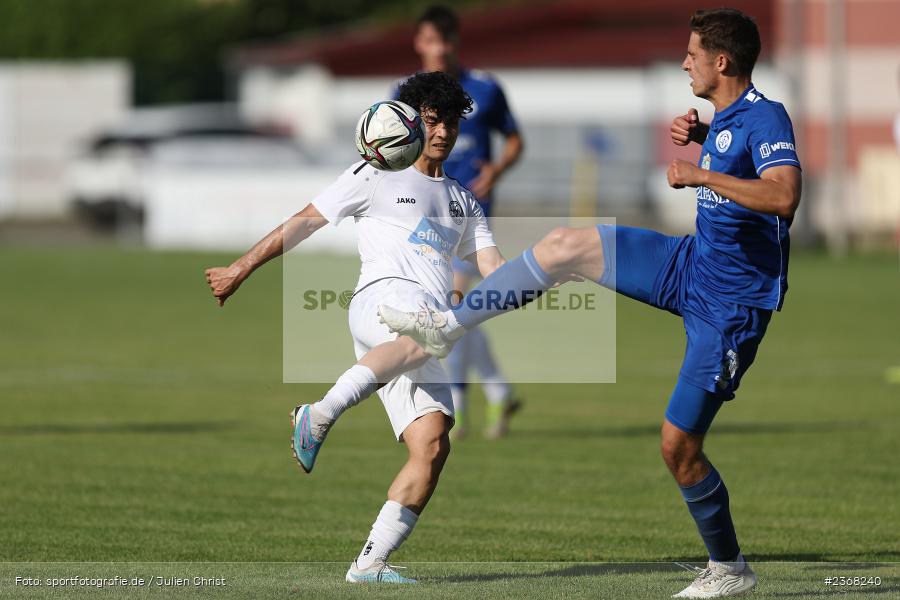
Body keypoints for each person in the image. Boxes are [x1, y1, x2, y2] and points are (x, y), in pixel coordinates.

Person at [379, 9, 801, 598]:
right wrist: (707, 142)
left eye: (692, 52)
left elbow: (783, 195)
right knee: (565, 246)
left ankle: (729, 569)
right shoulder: (727, 119)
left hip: (732, 303)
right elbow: (740, 162)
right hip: (689, 265)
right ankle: (447, 327)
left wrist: (701, 176)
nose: (685, 61)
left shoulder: (767, 115)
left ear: (720, 62)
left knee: (678, 447)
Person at [205, 72, 506, 583]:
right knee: (423, 337)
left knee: (433, 446)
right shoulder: (376, 173)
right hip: (381, 302)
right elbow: (302, 221)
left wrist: (539, 275)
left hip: (421, 325)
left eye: (451, 122)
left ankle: (370, 564)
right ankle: (318, 415)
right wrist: (240, 267)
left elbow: (494, 266)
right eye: (432, 121)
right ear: (412, 121)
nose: (442, 132)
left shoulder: (464, 202)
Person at [397, 5, 525, 439]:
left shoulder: (484, 89)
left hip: (470, 209)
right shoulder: (406, 91)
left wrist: (496, 171)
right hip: (422, 209)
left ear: (456, 43)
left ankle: (455, 408)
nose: (438, 50)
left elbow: (514, 139)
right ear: (419, 43)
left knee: (449, 303)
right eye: (430, 41)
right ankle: (499, 392)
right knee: (451, 307)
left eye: (445, 41)